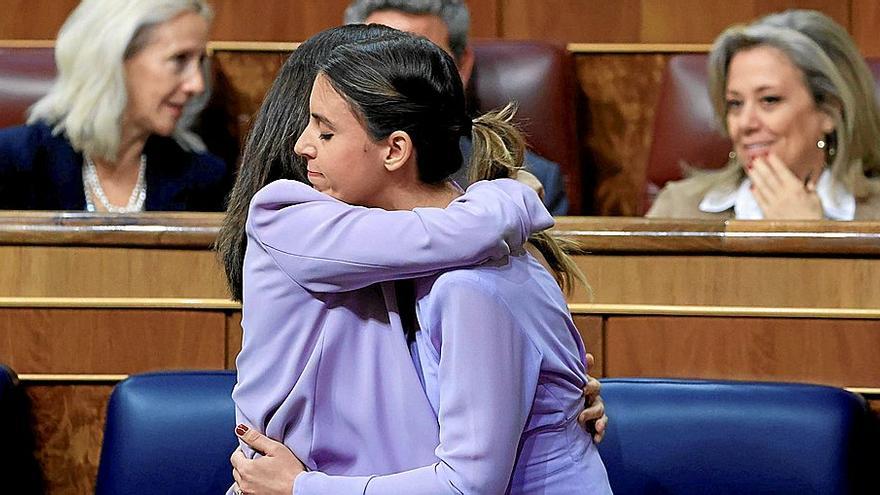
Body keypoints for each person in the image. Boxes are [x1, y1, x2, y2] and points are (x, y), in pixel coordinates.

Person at [228, 29, 611, 494]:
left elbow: (467, 482)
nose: (303, 145)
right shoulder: (292, 218)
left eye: (326, 130)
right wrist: (511, 199)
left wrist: (552, 400)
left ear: (395, 147)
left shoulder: (465, 280)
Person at [647, 9, 880, 220]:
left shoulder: (873, 214)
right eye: (735, 104)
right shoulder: (678, 208)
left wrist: (810, 237)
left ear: (829, 111)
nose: (745, 123)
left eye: (769, 100)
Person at [0, 0, 231, 212]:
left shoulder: (206, 179)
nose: (198, 84)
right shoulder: (12, 162)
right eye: (179, 59)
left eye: (200, 61)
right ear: (113, 60)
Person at [344, 0, 570, 215]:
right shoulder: (315, 169)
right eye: (378, 62)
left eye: (423, 62)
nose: (397, 80)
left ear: (462, 67)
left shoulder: (525, 182)